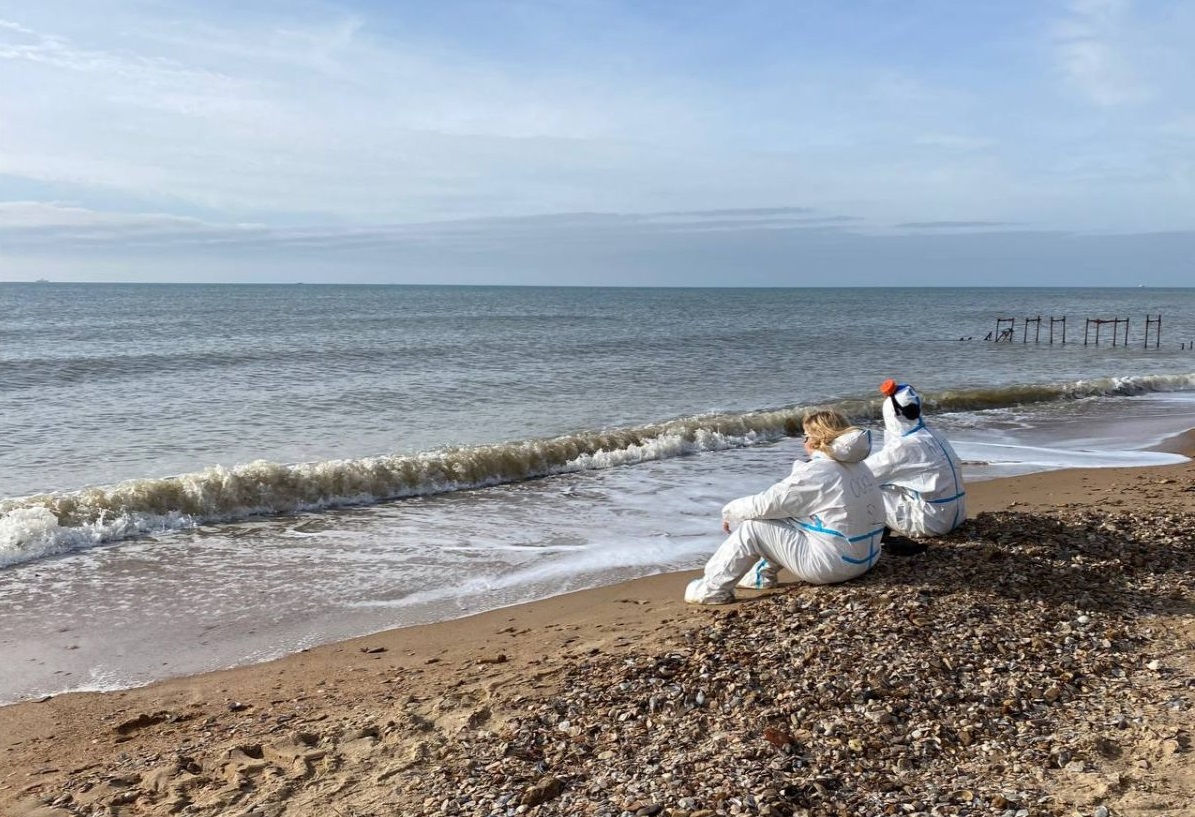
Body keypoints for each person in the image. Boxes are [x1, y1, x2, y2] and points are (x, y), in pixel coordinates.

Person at [684, 410, 886, 605]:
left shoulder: (818, 471)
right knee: (789, 517)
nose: (803, 441)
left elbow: (767, 504)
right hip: (866, 558)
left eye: (806, 436)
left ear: (818, 439)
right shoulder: (860, 467)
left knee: (754, 526)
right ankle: (759, 575)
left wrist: (730, 511)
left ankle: (711, 591)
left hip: (836, 565)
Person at [864, 379, 966, 540]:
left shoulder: (905, 446)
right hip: (956, 514)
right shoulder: (933, 434)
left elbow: (863, 473)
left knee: (862, 487)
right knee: (890, 480)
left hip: (932, 523)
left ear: (891, 415)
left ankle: (868, 538)